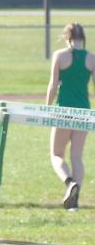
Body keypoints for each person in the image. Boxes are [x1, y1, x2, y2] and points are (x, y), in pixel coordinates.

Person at [45, 23, 93, 210]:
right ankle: (75, 200)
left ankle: (69, 182)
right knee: (77, 157)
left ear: (67, 37)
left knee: (56, 155)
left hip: (63, 110)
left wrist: (47, 108)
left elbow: (53, 84)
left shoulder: (60, 56)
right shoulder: (92, 59)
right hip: (84, 112)